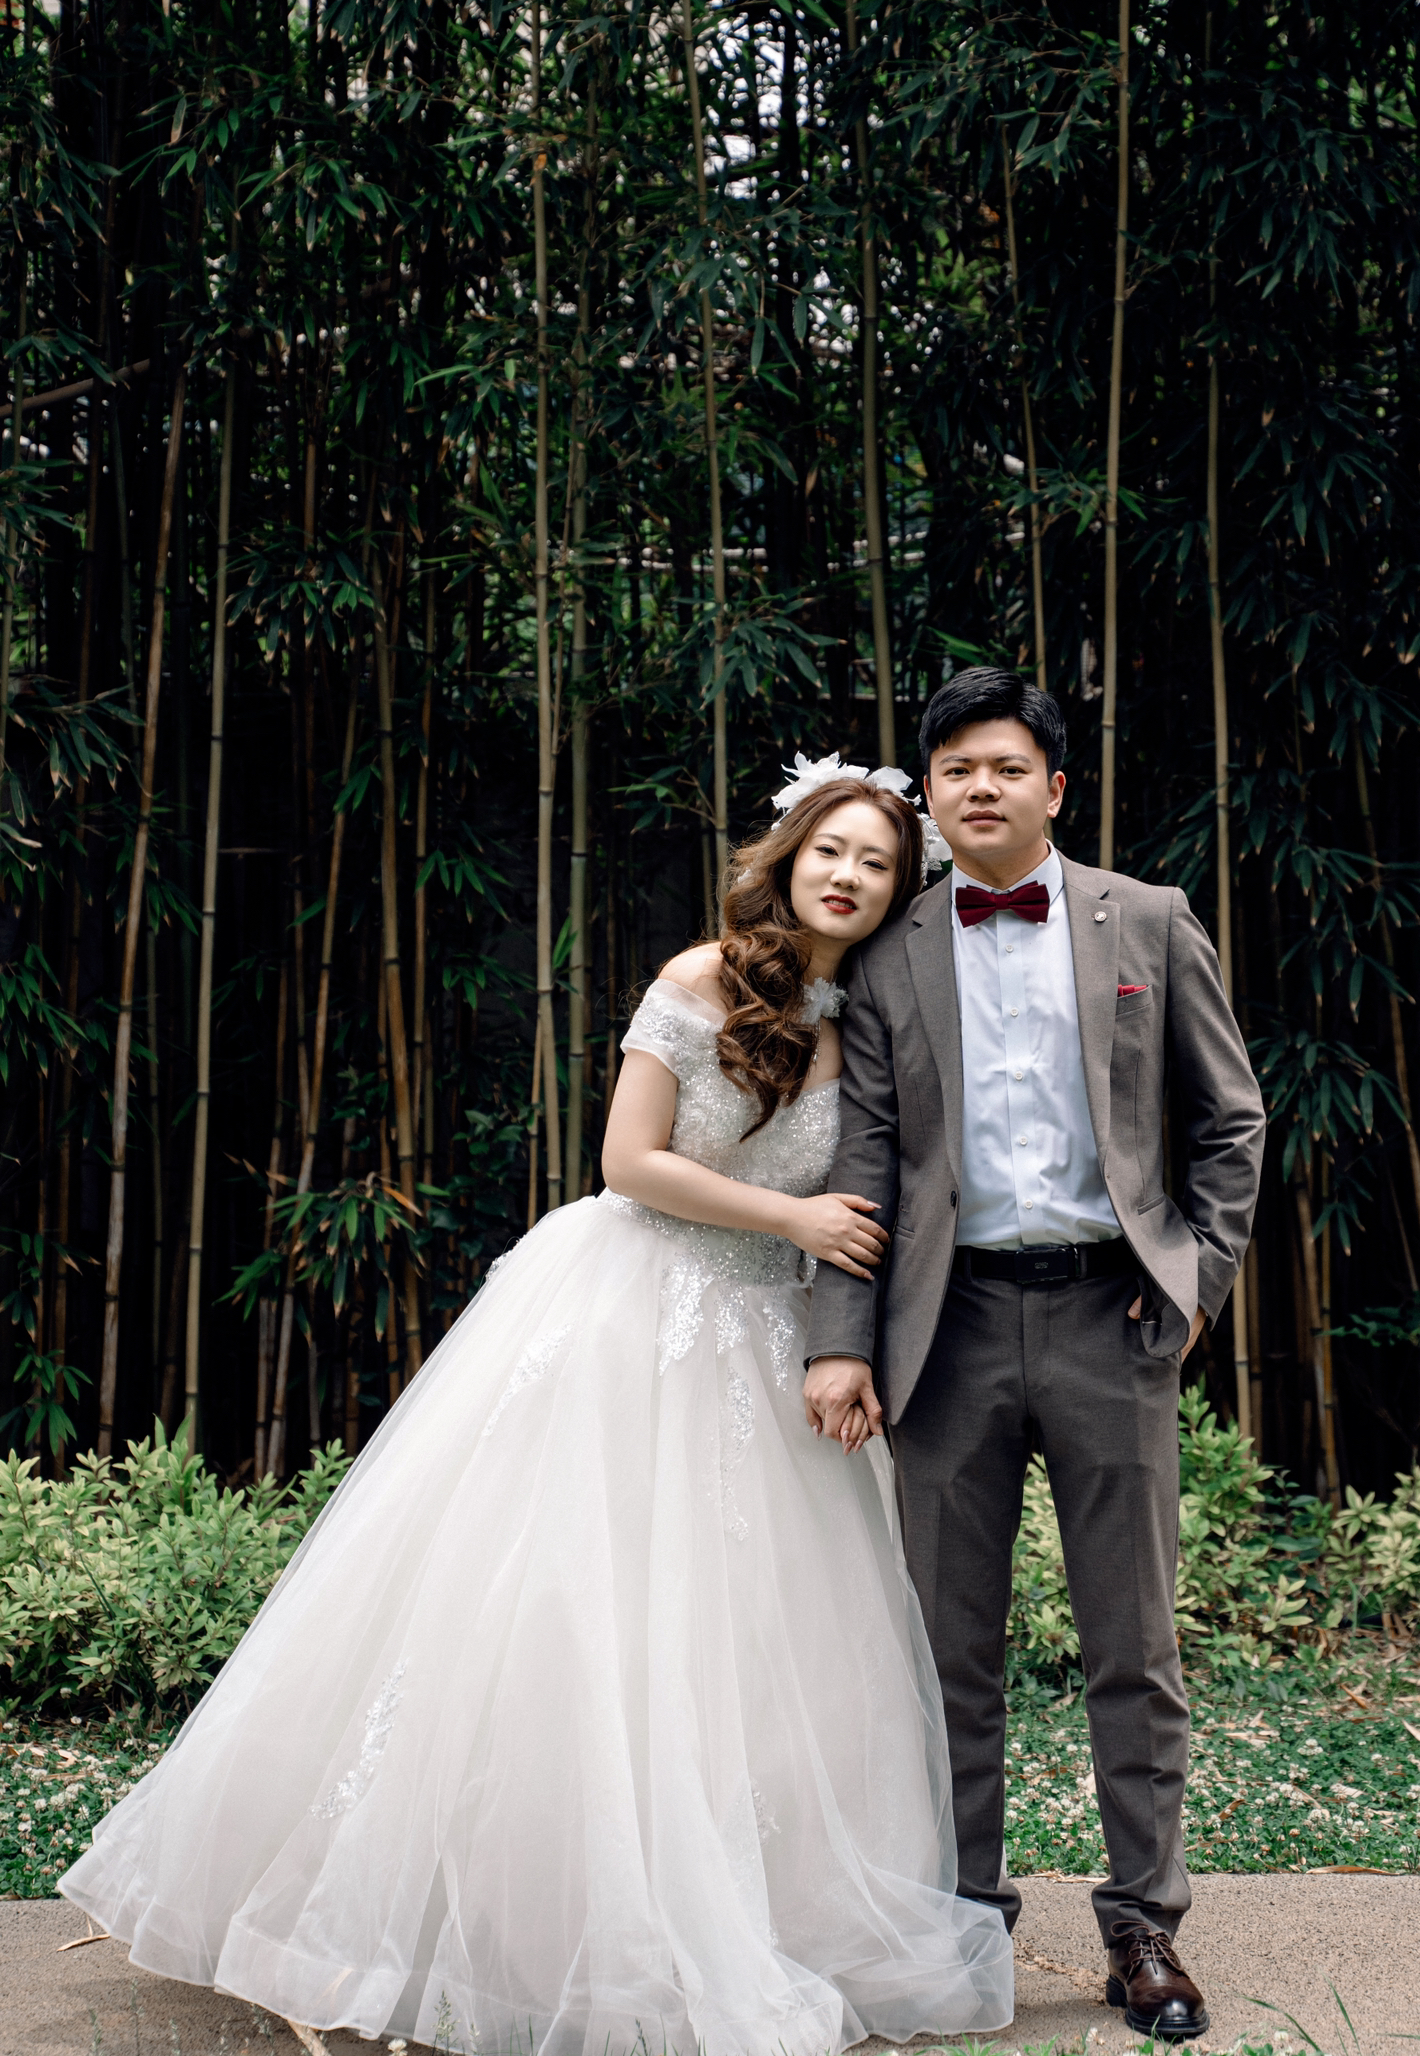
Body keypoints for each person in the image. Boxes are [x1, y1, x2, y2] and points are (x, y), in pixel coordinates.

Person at [60, 769, 1014, 2056]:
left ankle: (734, 1910)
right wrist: (792, 1215)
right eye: (828, 849)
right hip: (630, 1310)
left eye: (877, 863)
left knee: (745, 1635)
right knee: (564, 1605)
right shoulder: (698, 978)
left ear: (902, 892)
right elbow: (629, 1160)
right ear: (788, 856)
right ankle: (471, 1919)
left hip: (767, 1336)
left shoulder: (869, 1022)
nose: (846, 875)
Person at [805, 667, 1266, 2043]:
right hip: (941, 1332)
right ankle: (963, 1928)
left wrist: (1194, 1282)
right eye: (955, 769)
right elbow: (862, 1157)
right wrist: (841, 1340)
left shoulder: (1149, 918)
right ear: (930, 796)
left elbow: (1229, 1121)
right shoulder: (889, 948)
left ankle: (1144, 1929)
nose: (982, 787)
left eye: (1007, 766)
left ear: (1054, 787)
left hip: (1111, 1318)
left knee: (1134, 1641)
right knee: (946, 1651)